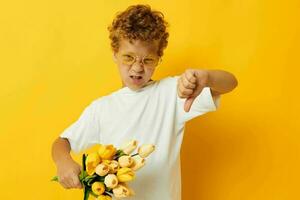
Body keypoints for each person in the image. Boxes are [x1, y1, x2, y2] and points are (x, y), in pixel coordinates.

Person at [51, 4, 238, 200]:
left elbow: (230, 83)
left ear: (158, 59)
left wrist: (206, 78)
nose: (138, 68)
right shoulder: (102, 108)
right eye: (129, 57)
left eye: (147, 60)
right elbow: (61, 143)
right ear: (115, 54)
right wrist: (63, 161)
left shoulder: (171, 93)